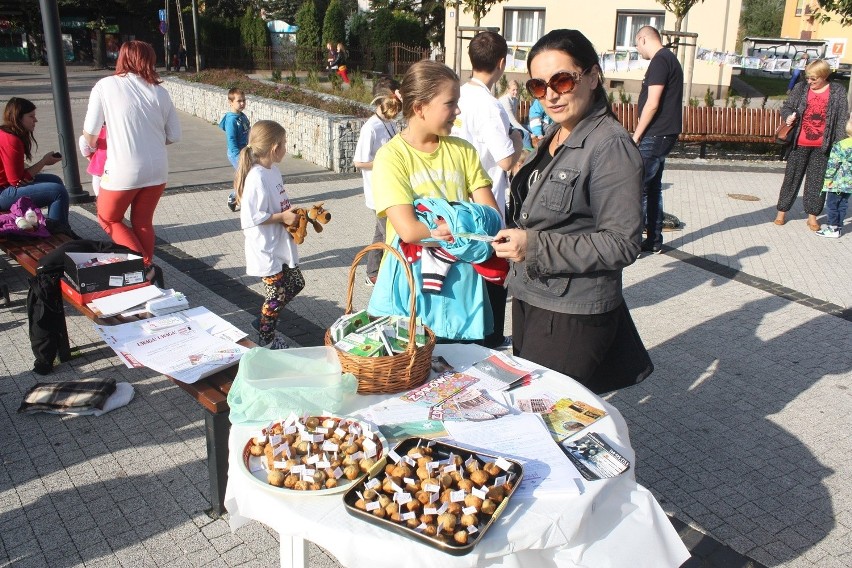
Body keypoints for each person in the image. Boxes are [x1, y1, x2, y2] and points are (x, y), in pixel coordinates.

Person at [492, 29, 653, 395]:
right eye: (537, 85)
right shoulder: (558, 132)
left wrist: (533, 247)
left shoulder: (610, 145)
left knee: (545, 413)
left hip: (570, 312)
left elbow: (622, 243)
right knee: (531, 406)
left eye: (562, 80)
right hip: (534, 295)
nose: (550, 94)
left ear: (593, 77)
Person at [368, 60, 499, 342]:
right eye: (450, 103)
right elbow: (409, 231)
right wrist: (463, 223)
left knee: (460, 373)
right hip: (412, 291)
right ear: (420, 108)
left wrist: (439, 225)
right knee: (412, 375)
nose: (458, 111)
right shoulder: (392, 157)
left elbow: (491, 216)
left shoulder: (463, 151)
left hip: (460, 291)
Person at [83, 40, 181, 288]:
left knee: (108, 218)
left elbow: (90, 134)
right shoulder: (160, 91)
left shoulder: (106, 86)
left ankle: (144, 267)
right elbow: (174, 135)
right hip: (158, 169)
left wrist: (91, 147)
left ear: (121, 58)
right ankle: (147, 275)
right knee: (143, 223)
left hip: (123, 170)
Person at [451, 30, 523, 350]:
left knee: (464, 273)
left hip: (454, 199)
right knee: (493, 271)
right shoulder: (489, 105)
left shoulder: (456, 95)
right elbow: (506, 160)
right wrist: (518, 138)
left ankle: (468, 335)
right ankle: (491, 337)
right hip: (485, 201)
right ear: (502, 63)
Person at [235, 120, 304, 350]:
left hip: (279, 243)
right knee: (275, 295)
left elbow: (278, 202)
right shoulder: (256, 177)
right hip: (265, 247)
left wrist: (294, 216)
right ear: (274, 148)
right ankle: (267, 339)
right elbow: (251, 217)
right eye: (284, 143)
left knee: (295, 283)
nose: (286, 147)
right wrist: (282, 217)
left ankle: (263, 320)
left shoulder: (272, 170)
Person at [773, 59, 849, 230]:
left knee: (816, 182)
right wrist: (789, 116)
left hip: (823, 145)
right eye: (808, 78)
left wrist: (838, 146)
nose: (810, 82)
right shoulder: (801, 88)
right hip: (798, 143)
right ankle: (781, 212)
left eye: (814, 79)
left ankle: (812, 217)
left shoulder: (837, 91)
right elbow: (787, 107)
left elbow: (842, 119)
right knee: (791, 179)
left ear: (824, 76)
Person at [633, 25, 683, 255]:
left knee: (637, 187)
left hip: (655, 133)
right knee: (652, 189)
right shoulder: (670, 59)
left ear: (643, 39)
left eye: (636, 44)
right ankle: (653, 240)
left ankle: (630, 243)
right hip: (664, 133)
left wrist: (637, 135)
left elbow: (652, 103)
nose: (637, 49)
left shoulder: (660, 61)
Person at [353, 77, 402, 287]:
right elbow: (359, 161)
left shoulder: (389, 123)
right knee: (392, 234)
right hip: (377, 192)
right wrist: (383, 161)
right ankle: (387, 275)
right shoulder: (370, 128)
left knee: (380, 234)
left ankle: (372, 273)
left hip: (389, 188)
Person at [0, 97, 70, 225]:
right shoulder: (11, 140)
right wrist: (43, 162)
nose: (35, 120)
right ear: (18, 117)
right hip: (2, 193)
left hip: (5, 187)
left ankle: (60, 226)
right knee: (57, 191)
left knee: (55, 180)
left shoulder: (7, 133)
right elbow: (16, 181)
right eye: (31, 116)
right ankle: (58, 230)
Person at [816, 116, 852, 238]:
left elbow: (833, 164)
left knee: (832, 205)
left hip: (837, 182)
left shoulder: (841, 145)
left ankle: (832, 228)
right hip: (849, 183)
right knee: (843, 204)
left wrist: (828, 179)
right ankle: (839, 227)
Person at [220, 87, 250, 212]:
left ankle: (234, 197)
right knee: (246, 177)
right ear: (230, 102)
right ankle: (241, 200)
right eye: (239, 101)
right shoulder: (232, 120)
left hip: (245, 151)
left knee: (246, 176)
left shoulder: (242, 116)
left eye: (244, 100)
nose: (242, 103)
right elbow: (231, 139)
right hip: (236, 153)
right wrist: (238, 155)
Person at [498, 80, 533, 150]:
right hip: (503, 126)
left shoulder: (515, 100)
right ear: (508, 90)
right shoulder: (505, 100)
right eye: (513, 90)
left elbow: (515, 119)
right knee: (525, 134)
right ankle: (528, 154)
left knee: (531, 127)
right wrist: (527, 132)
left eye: (517, 90)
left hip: (510, 125)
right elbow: (512, 121)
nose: (516, 92)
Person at [78, 124, 106, 197]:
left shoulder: (97, 131)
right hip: (121, 168)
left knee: (100, 196)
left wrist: (90, 158)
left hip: (100, 168)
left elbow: (83, 140)